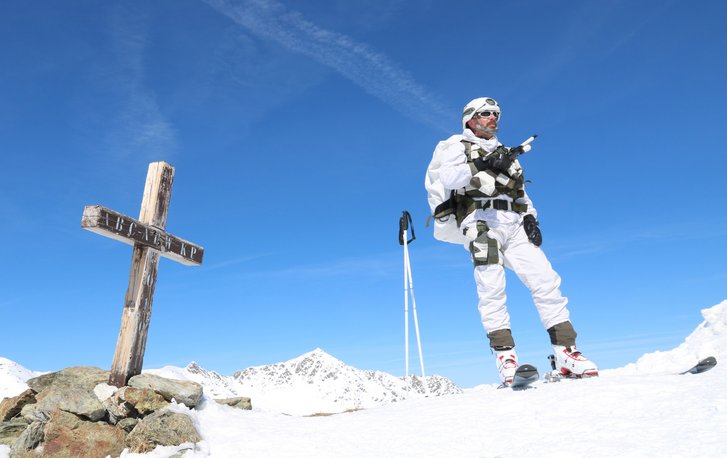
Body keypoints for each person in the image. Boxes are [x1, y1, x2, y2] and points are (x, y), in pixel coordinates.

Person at [426, 97, 598, 384]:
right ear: (470, 119)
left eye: (496, 113)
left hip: (514, 223)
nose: (493, 117)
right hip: (480, 221)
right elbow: (450, 178)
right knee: (491, 287)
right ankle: (505, 356)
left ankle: (566, 352)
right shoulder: (458, 145)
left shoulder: (507, 153)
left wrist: (531, 217)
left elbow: (520, 191)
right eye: (486, 113)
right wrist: (482, 162)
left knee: (545, 280)